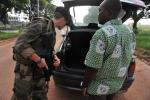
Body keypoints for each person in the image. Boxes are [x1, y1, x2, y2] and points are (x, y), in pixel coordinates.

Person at [11, 7, 69, 100]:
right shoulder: (40, 24)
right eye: (66, 23)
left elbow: (48, 48)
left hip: (39, 70)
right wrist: (38, 60)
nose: (65, 25)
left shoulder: (51, 29)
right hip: (26, 69)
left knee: (40, 94)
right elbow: (20, 44)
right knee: (21, 95)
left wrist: (55, 57)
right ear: (62, 19)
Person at [82, 0, 136, 100]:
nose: (98, 14)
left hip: (98, 88)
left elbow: (93, 65)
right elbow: (129, 56)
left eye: (100, 11)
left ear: (109, 12)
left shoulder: (101, 34)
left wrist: (85, 84)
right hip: (116, 85)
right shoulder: (129, 31)